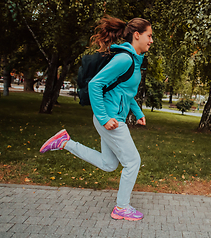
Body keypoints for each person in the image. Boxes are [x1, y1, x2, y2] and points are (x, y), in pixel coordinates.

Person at [39, 15, 153, 221]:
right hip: (111, 119)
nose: (151, 40)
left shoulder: (134, 60)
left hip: (111, 117)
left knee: (109, 164)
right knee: (133, 162)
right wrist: (103, 118)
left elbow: (125, 91)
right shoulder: (124, 59)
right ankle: (122, 207)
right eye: (149, 36)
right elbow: (95, 85)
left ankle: (65, 142)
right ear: (137, 35)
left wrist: (138, 113)